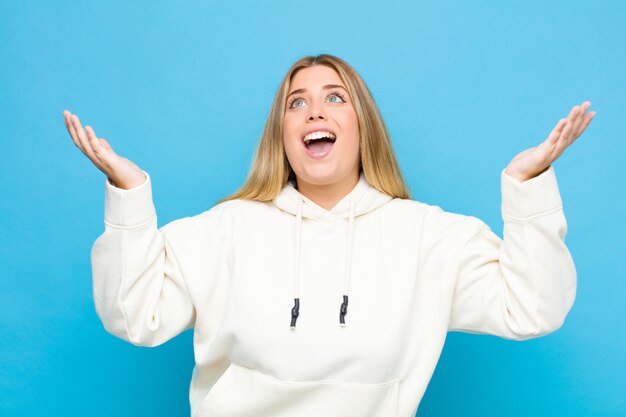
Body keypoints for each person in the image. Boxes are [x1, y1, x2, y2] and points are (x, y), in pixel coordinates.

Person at [63, 53, 595, 417]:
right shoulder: (225, 230)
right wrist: (127, 195)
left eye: (335, 97)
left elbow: (534, 307)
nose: (314, 109)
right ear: (284, 136)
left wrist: (527, 190)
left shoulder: (429, 237)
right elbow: (135, 316)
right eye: (297, 102)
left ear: (364, 125)